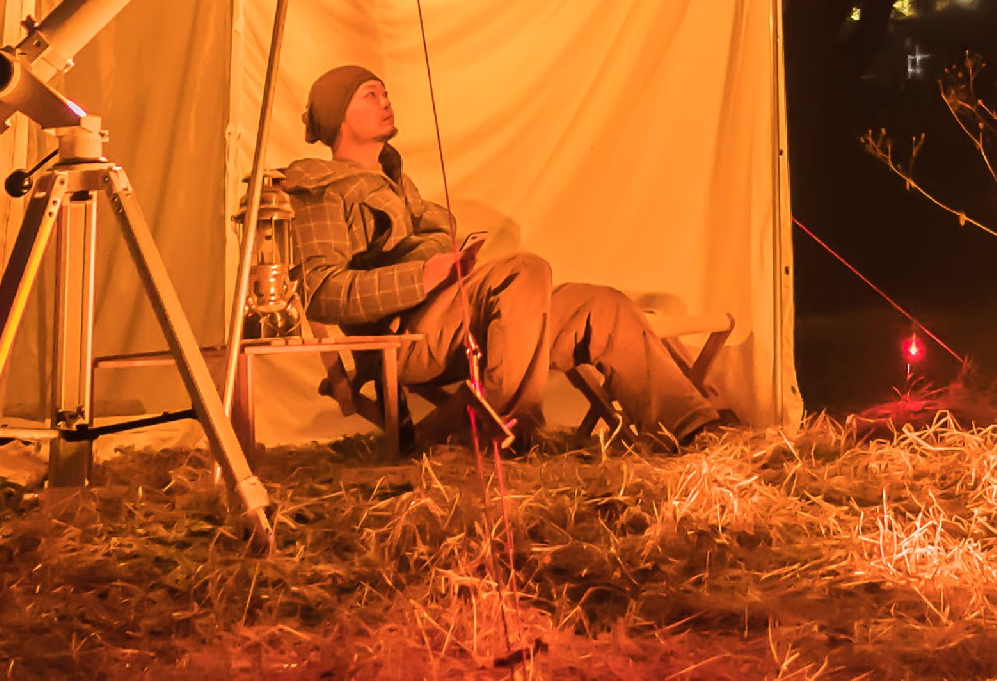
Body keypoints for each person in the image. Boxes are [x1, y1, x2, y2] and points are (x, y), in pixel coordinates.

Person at [280, 63, 727, 450]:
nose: (385, 100)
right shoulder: (320, 190)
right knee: (523, 270)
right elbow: (323, 292)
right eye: (369, 94)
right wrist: (424, 274)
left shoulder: (398, 182)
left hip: (451, 321)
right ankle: (504, 430)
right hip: (404, 339)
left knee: (602, 307)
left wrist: (442, 261)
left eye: (385, 91)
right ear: (338, 116)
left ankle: (691, 430)